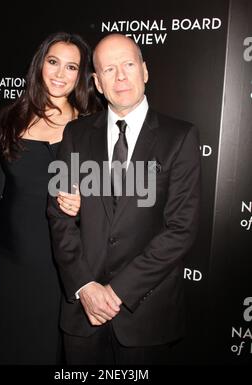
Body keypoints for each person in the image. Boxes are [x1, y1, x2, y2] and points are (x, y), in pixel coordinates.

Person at [48, 33, 201, 365]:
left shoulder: (181, 137)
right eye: (108, 69)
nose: (120, 77)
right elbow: (59, 216)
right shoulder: (74, 136)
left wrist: (117, 292)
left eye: (128, 65)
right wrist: (85, 286)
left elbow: (181, 229)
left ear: (144, 70)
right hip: (81, 316)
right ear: (97, 83)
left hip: (147, 316)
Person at [0, 32, 101, 365]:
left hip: (62, 257)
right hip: (11, 255)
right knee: (6, 341)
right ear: (40, 65)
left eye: (71, 67)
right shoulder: (9, 119)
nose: (59, 74)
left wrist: (86, 201)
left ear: (81, 75)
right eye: (53, 62)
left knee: (46, 346)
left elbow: (106, 195)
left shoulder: (90, 125)